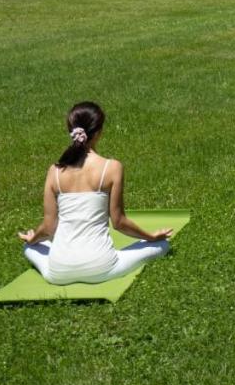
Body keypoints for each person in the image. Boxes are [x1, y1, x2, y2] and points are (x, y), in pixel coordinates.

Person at [19, 102, 172, 284]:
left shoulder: (55, 171)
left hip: (58, 272)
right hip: (102, 267)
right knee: (162, 245)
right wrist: (151, 237)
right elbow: (119, 222)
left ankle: (32, 245)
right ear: (99, 132)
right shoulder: (112, 167)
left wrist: (32, 238)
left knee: (30, 247)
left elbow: (48, 227)